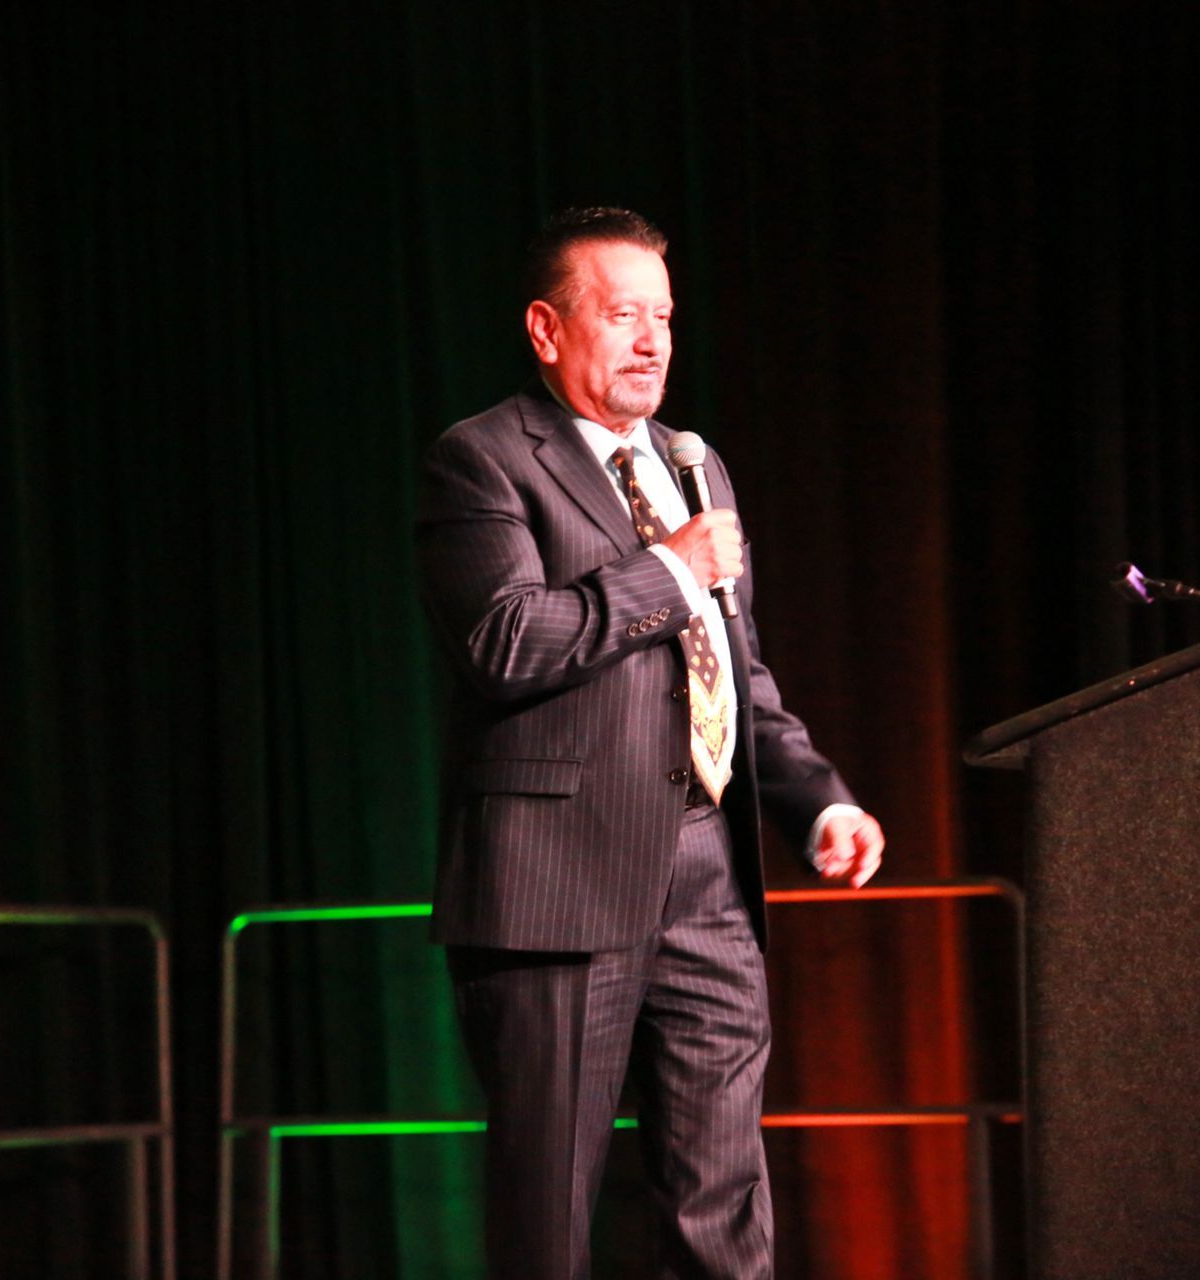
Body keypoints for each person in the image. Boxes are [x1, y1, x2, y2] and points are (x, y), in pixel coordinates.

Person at [415, 207, 885, 1279]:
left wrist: (816, 798)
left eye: (663, 315)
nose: (652, 341)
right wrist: (669, 570)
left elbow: (735, 668)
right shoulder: (482, 460)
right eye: (623, 314)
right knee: (549, 1218)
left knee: (721, 1199)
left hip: (711, 875)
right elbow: (501, 637)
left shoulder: (695, 465)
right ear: (547, 328)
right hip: (558, 884)